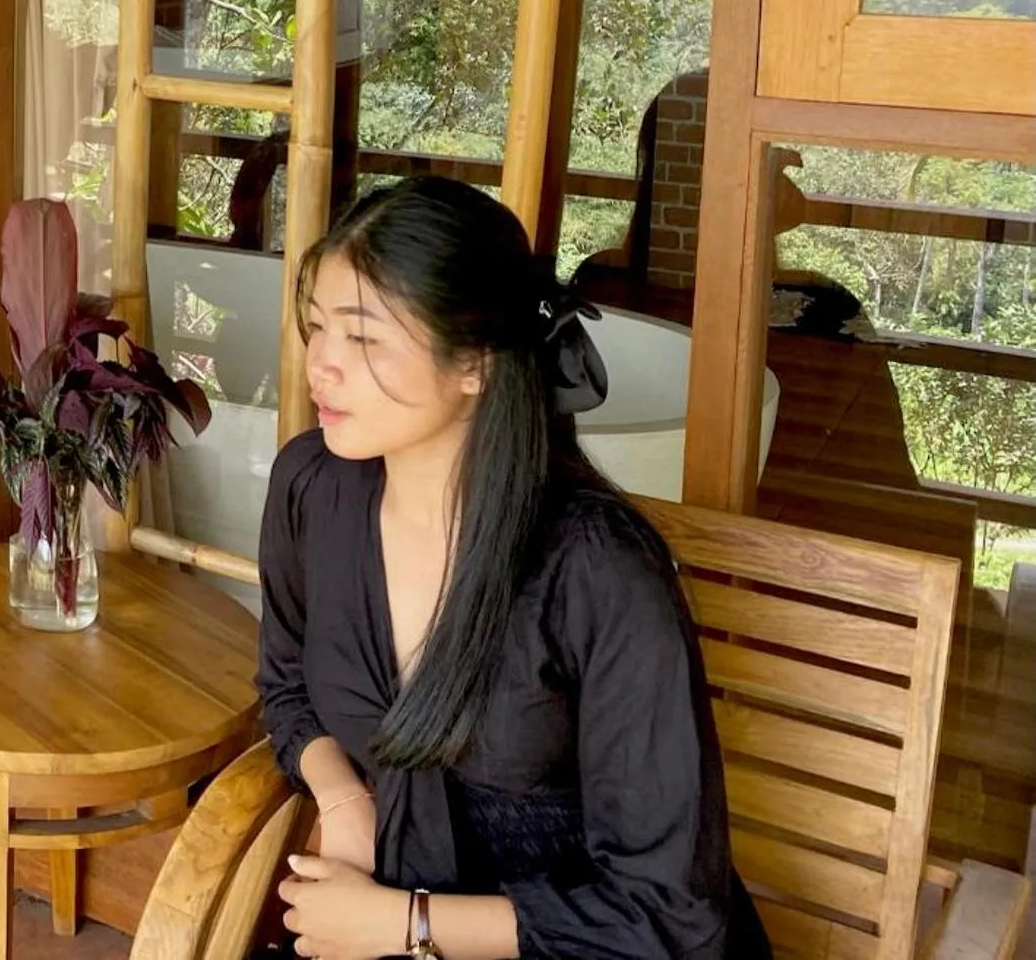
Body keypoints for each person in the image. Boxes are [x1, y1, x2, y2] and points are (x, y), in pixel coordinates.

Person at [256, 176, 769, 960]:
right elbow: (288, 684)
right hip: (374, 913)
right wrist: (345, 794)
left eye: (361, 337)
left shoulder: (596, 570)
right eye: (317, 325)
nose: (320, 363)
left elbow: (668, 912)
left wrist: (405, 922)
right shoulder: (312, 486)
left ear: (476, 364)